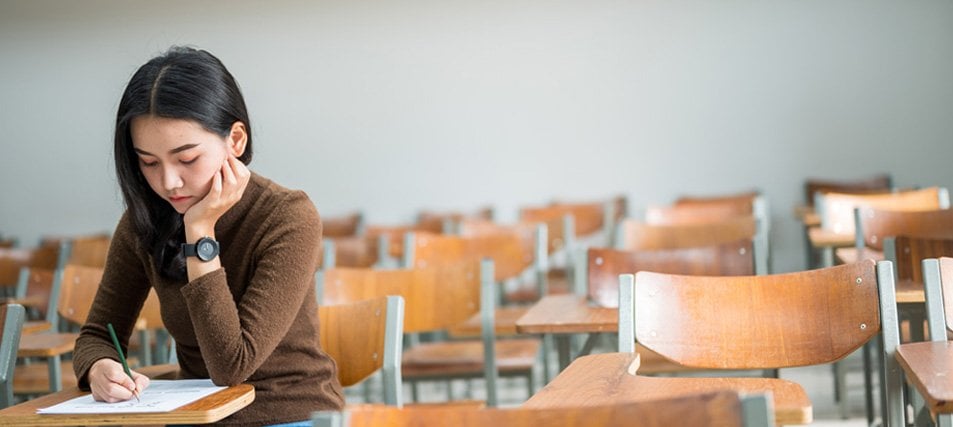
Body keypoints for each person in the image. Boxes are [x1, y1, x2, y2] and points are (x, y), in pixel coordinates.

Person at [73, 46, 344, 426]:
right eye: (148, 162)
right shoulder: (144, 221)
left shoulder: (288, 216)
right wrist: (99, 367)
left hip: (288, 411)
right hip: (197, 416)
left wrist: (199, 233)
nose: (168, 182)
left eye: (187, 159)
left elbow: (231, 365)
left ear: (235, 140)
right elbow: (97, 334)